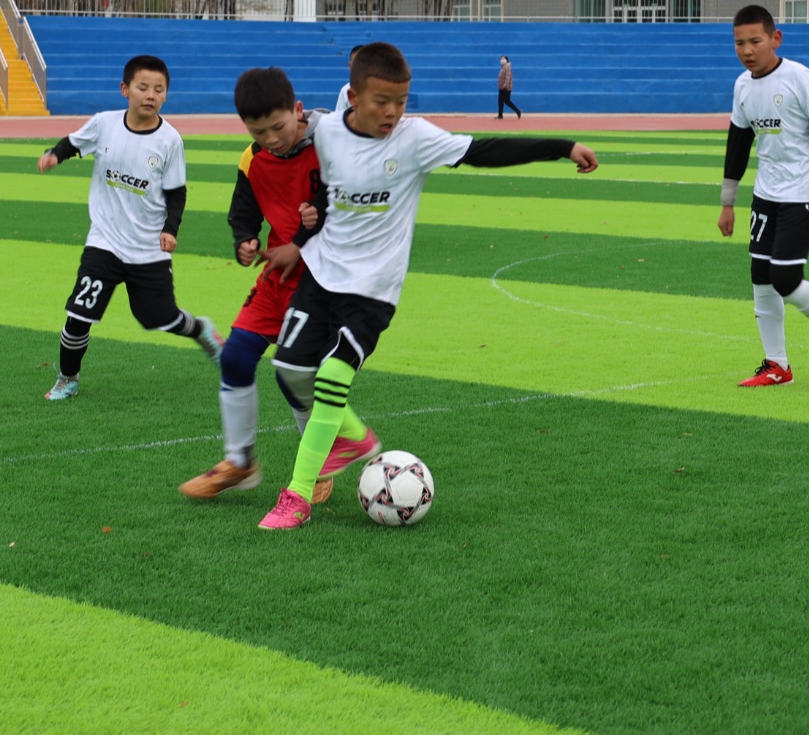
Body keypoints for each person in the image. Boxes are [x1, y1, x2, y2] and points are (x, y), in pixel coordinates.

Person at [257, 41, 600, 530]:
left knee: (333, 376)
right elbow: (285, 141)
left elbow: (483, 151)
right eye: (381, 102)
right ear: (352, 96)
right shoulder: (326, 130)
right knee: (290, 370)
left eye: (401, 101)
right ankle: (352, 436)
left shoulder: (414, 138)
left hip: (373, 290)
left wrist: (561, 147)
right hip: (320, 273)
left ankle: (296, 496)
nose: (393, 112)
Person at [180, 67, 339, 502]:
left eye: (278, 127)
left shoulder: (331, 145)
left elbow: (349, 206)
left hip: (323, 283)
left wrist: (306, 236)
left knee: (296, 375)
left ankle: (318, 460)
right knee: (235, 358)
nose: (271, 138)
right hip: (277, 278)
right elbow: (243, 210)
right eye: (258, 131)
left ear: (298, 110)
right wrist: (244, 241)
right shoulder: (252, 159)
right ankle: (239, 461)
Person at [37, 54, 223, 400]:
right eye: (143, 87)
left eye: (159, 89)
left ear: (165, 95)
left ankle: (200, 330)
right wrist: (54, 155)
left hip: (148, 249)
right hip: (104, 242)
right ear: (125, 89)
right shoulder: (104, 123)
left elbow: (177, 193)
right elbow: (73, 143)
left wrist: (171, 230)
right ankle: (68, 378)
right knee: (79, 312)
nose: (150, 95)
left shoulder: (169, 140)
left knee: (161, 318)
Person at [718, 4, 809, 388]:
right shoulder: (742, 86)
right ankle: (776, 365)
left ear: (775, 38)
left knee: (784, 276)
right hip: (766, 196)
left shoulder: (800, 78)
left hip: (803, 194)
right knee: (760, 277)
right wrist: (727, 202)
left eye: (755, 41)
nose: (747, 50)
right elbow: (738, 144)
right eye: (739, 43)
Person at [497, 55, 522, 119]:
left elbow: (507, 78)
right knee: (500, 101)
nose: (501, 60)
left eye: (503, 59)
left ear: (506, 60)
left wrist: (505, 86)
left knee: (507, 101)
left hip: (506, 88)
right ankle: (500, 115)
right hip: (501, 87)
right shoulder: (503, 67)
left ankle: (517, 110)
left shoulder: (507, 67)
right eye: (501, 59)